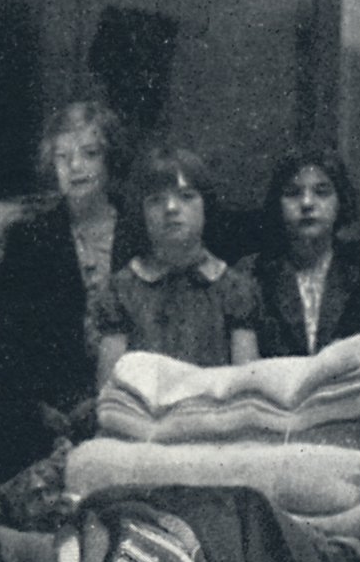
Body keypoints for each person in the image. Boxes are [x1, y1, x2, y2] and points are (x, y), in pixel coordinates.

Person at [0, 101, 137, 436]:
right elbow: (12, 340)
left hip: (133, 402)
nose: (75, 167)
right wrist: (37, 407)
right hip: (52, 410)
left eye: (89, 153)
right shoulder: (27, 239)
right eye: (63, 157)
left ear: (110, 159)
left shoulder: (140, 232)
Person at [96, 145, 261, 385]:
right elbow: (110, 394)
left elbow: (248, 387)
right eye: (156, 200)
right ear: (140, 214)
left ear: (206, 206)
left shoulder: (234, 289)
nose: (171, 208)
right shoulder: (121, 291)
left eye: (186, 196)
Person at [237, 149, 360, 357]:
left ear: (341, 201)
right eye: (293, 193)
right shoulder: (250, 273)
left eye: (321, 192)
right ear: (277, 203)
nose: (307, 203)